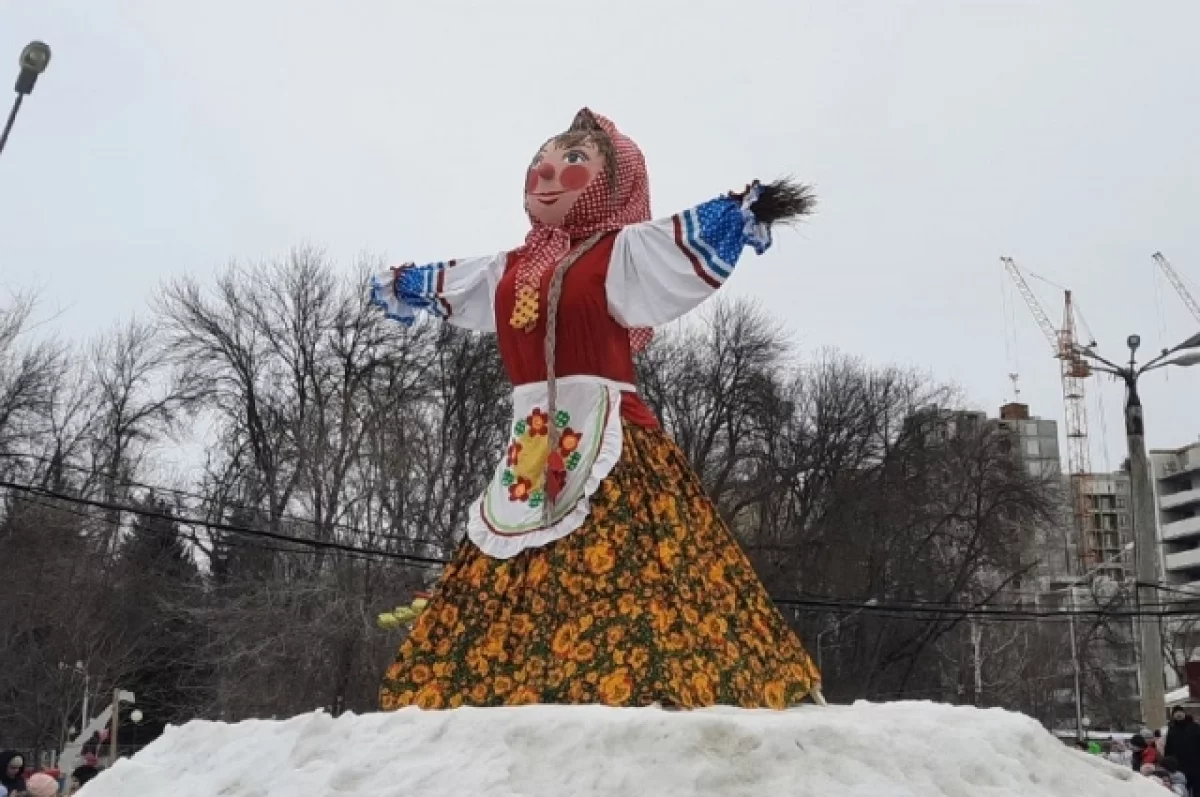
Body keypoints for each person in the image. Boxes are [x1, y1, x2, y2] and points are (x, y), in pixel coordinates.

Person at [373, 108, 820, 710]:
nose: (549, 173)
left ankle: (639, 689)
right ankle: (495, 688)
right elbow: (455, 281)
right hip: (530, 448)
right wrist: (406, 284)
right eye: (543, 162)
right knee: (513, 553)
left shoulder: (619, 250)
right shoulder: (509, 269)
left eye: (574, 162)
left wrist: (739, 211)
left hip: (611, 435)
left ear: (614, 184)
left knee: (636, 565)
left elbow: (677, 238)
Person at [1167, 708, 1200, 792]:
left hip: (1195, 764)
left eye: (1180, 712)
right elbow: (1168, 748)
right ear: (1173, 716)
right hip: (1178, 766)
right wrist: (1167, 763)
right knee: (1182, 789)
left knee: (1197, 789)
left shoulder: (1194, 726)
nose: (1178, 714)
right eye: (1176, 713)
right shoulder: (1172, 729)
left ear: (1184, 713)